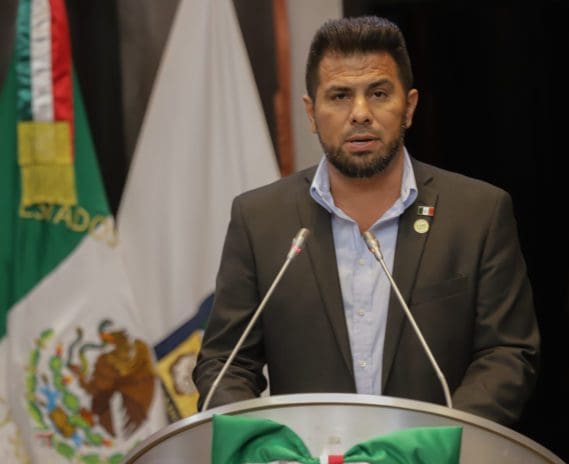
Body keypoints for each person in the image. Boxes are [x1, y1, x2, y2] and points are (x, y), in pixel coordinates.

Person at [193, 15, 539, 425]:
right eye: (339, 96)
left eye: (378, 93)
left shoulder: (478, 214)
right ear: (311, 112)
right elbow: (225, 364)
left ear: (409, 107)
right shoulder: (260, 220)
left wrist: (439, 441)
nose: (360, 113)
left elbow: (506, 353)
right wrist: (268, 444)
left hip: (435, 452)